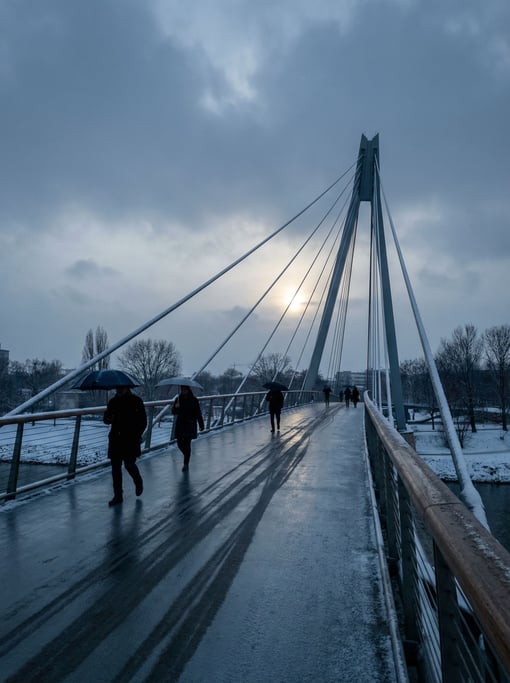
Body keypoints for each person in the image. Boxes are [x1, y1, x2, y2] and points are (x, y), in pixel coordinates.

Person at [103, 386, 147, 507]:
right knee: (115, 469)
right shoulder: (113, 402)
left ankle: (138, 481)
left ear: (127, 388)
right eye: (117, 388)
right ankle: (118, 495)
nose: (119, 390)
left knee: (129, 465)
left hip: (130, 439)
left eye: (121, 388)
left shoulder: (136, 401)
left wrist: (136, 434)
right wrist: (108, 418)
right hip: (116, 439)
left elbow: (143, 421)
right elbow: (106, 420)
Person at [172, 385, 205, 472]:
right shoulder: (178, 399)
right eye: (182, 390)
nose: (183, 391)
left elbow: (198, 413)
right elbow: (174, 412)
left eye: (185, 390)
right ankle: (186, 455)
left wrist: (201, 424)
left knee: (187, 444)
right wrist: (176, 407)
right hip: (180, 424)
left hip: (190, 424)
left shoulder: (194, 400)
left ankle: (186, 464)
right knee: (179, 444)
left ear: (188, 390)